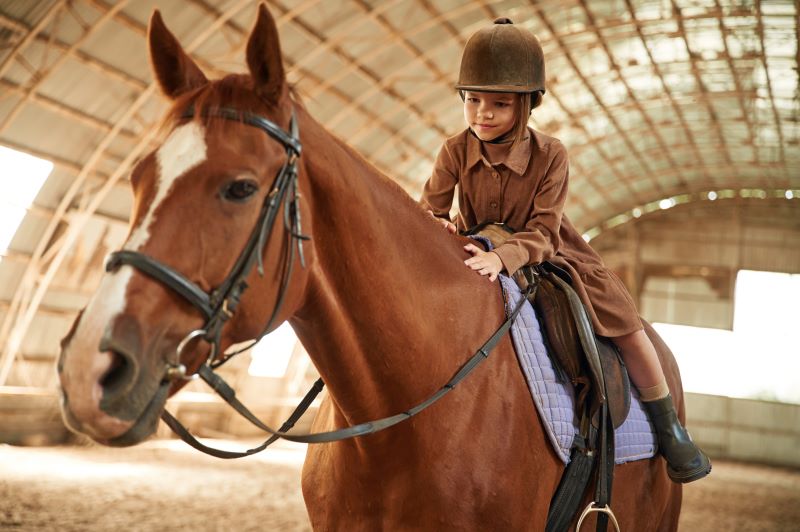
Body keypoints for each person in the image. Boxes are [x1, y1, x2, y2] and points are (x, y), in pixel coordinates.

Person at [419, 18, 710, 484]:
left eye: (498, 104)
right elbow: (429, 210)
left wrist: (503, 257)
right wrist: (440, 230)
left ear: (527, 105)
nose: (482, 114)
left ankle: (670, 427)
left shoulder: (551, 153)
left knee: (623, 322)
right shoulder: (453, 149)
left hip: (552, 251)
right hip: (477, 245)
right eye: (473, 100)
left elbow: (544, 230)